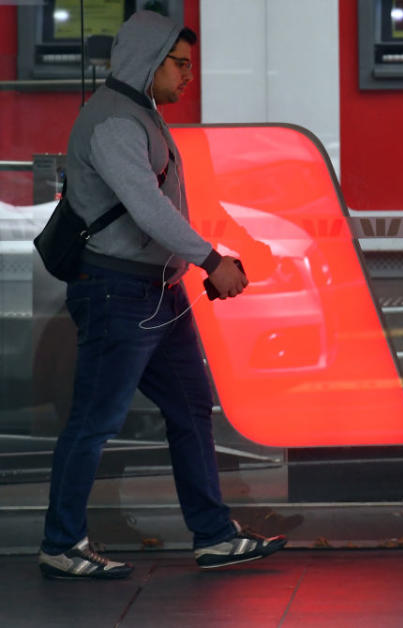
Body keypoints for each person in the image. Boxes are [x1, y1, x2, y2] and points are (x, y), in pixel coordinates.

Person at [38, 10, 285, 579]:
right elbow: (148, 210)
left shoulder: (140, 114)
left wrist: (196, 259)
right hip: (116, 292)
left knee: (191, 409)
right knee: (94, 421)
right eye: (180, 64)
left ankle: (214, 536)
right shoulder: (114, 122)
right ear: (149, 58)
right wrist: (212, 259)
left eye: (190, 65)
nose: (188, 76)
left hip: (157, 293)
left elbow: (160, 208)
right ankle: (61, 543)